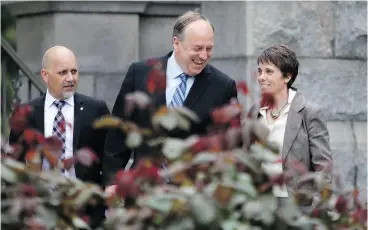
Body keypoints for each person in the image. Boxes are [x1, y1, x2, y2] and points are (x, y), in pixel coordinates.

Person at [103, 10, 238, 193]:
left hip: (193, 196)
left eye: (209, 48)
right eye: (197, 48)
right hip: (143, 192)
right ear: (177, 43)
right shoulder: (140, 73)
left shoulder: (223, 86)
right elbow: (118, 133)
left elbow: (229, 146)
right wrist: (112, 182)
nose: (204, 56)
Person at [9, 46, 110, 227]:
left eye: (74, 71)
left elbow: (109, 158)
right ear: (45, 75)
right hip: (42, 211)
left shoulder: (95, 109)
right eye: (63, 72)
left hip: (86, 211)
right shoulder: (27, 113)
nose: (70, 78)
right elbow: (14, 164)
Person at [247, 44, 333, 206]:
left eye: (268, 71)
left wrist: (317, 208)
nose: (261, 77)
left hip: (297, 207)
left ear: (287, 77)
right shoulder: (254, 111)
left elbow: (323, 168)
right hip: (260, 204)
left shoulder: (310, 112)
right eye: (259, 71)